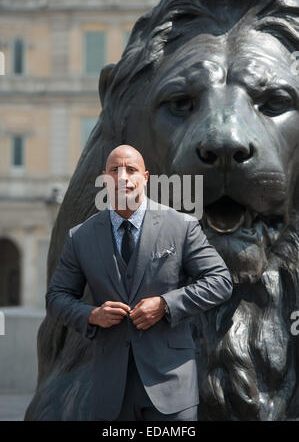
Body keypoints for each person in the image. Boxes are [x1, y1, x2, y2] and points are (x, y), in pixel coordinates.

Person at [46, 144, 233, 421]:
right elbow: (56, 297)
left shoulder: (181, 226)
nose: (123, 177)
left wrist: (166, 305)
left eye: (131, 170)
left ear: (145, 177)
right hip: (110, 390)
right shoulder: (80, 237)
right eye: (115, 170)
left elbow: (220, 281)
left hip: (171, 385)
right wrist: (92, 315)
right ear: (104, 179)